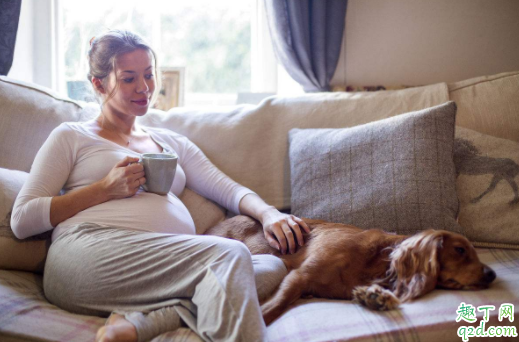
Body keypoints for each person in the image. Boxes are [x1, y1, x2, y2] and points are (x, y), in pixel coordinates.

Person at [11, 29, 309, 342]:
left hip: (161, 269)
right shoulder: (72, 136)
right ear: (99, 84)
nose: (144, 88)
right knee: (231, 258)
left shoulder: (170, 143)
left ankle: (140, 324)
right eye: (128, 78)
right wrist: (103, 189)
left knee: (270, 267)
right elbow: (22, 220)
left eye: (149, 75)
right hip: (87, 255)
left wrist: (268, 214)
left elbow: (227, 189)